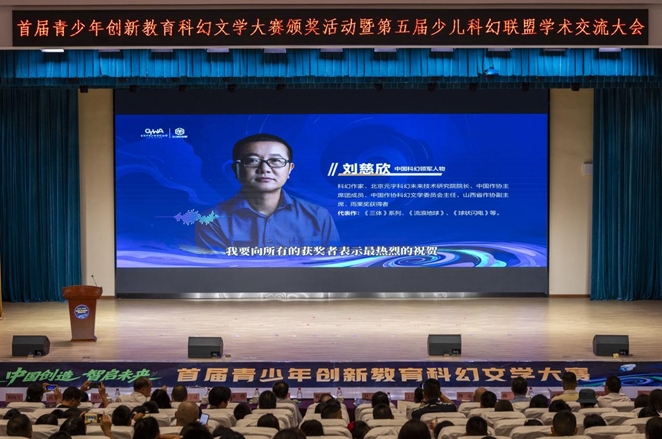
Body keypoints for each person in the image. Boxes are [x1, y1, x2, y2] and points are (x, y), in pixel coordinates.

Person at [195, 133, 341, 251]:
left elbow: (332, 269)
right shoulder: (212, 220)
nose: (264, 169)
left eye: (276, 161)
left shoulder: (318, 216)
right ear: (236, 169)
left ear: (289, 169)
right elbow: (218, 274)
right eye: (252, 160)